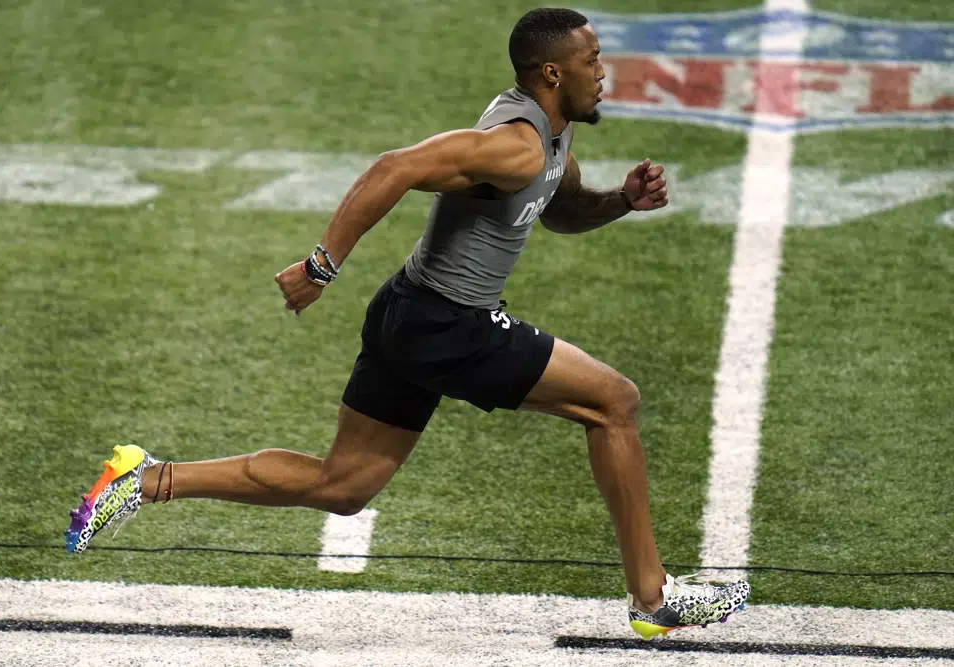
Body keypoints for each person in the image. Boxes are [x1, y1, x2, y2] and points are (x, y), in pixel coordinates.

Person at [64, 7, 750, 640]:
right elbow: (397, 168)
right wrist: (320, 265)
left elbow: (563, 209)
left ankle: (145, 479)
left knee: (344, 485)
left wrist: (622, 202)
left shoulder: (553, 138)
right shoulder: (513, 144)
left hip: (410, 313)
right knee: (615, 402)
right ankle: (652, 597)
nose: (604, 74)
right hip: (450, 326)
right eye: (593, 61)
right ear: (552, 72)